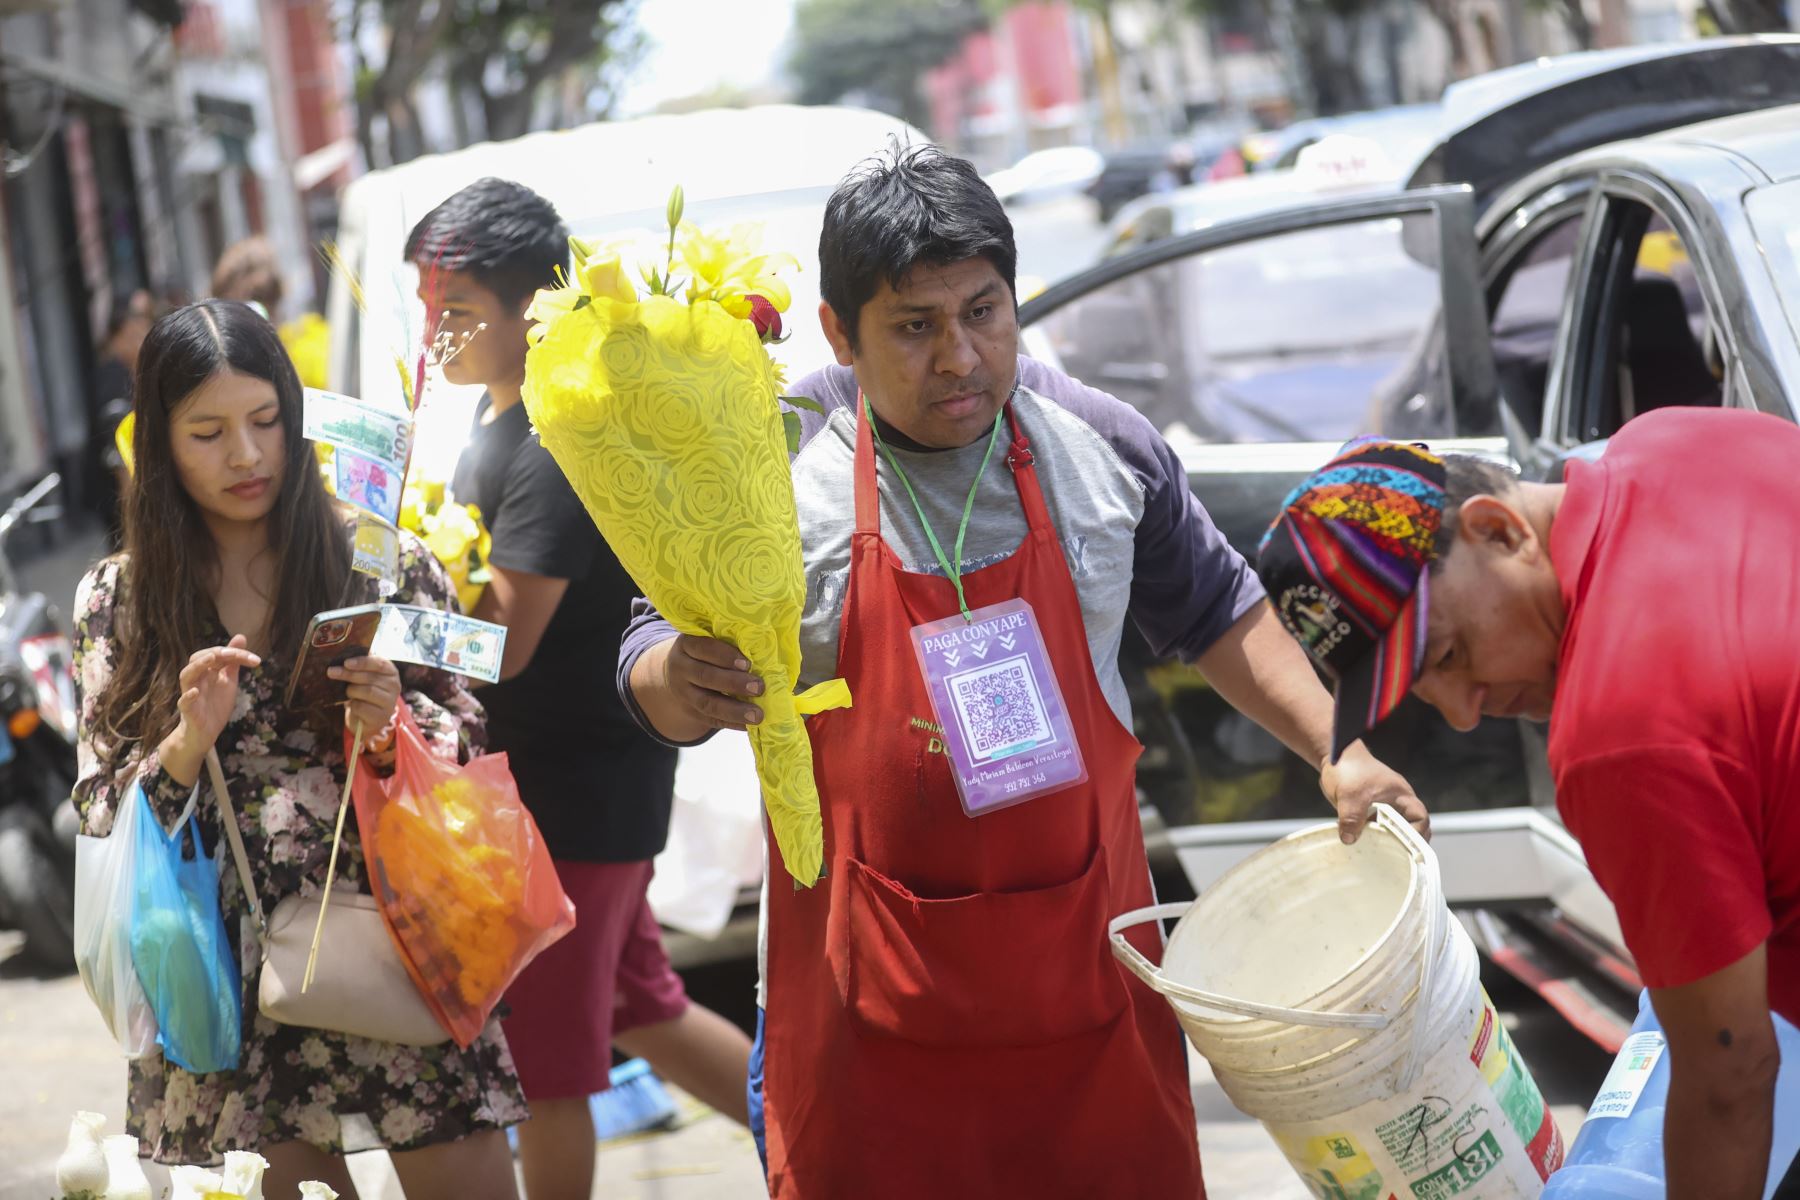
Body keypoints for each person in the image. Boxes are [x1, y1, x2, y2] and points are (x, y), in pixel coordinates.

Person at [619, 143, 1427, 1197]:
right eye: (915, 327)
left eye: (984, 313)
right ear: (838, 334)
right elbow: (645, 650)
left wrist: (1340, 750)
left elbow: (1220, 611)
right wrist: (676, 680)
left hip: (1085, 977)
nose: (959, 356)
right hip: (863, 995)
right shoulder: (767, 462)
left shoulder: (1100, 444)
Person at [1255, 417, 1800, 1200]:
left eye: (1448, 654)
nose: (1466, 712)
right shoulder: (1679, 439)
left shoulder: (1617, 736)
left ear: (1498, 529)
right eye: (1422, 691)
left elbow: (1731, 1073)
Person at [71, 300, 525, 1198]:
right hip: (220, 967)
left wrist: (394, 727)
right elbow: (97, 804)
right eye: (207, 432)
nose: (245, 455)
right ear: (160, 444)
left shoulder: (381, 557)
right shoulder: (117, 601)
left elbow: (469, 727)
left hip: (388, 928)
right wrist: (184, 746)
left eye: (266, 421)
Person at [404, 178, 754, 1200]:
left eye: (456, 312)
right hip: (561, 787)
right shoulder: (499, 415)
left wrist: (382, 622)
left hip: (572, 797)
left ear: (532, 310)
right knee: (643, 1005)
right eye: (427, 311)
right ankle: (832, 1156)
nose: (436, 334)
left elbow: (504, 642)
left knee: (549, 1071)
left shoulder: (556, 436)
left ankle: (836, 1155)